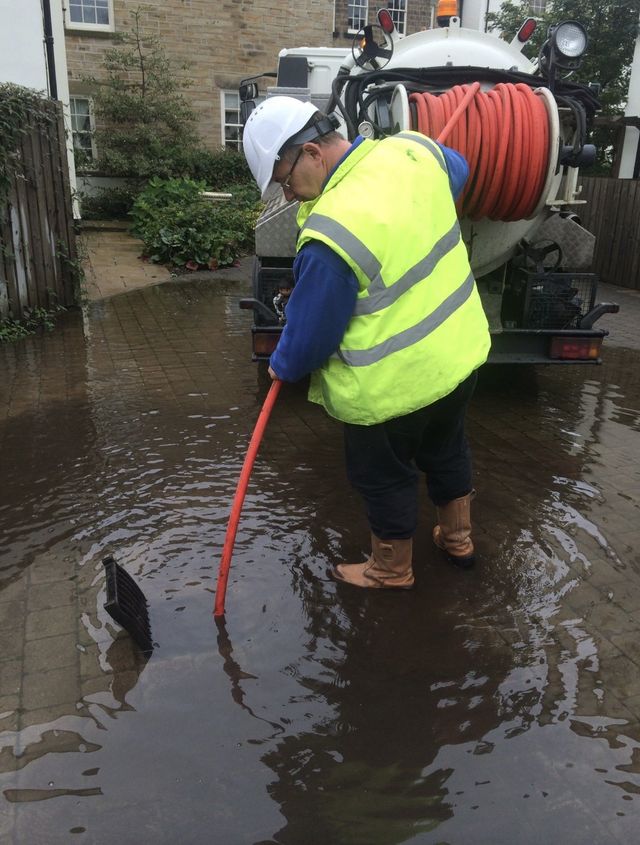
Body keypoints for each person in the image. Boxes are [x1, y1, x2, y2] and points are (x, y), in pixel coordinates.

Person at [242, 96, 491, 590]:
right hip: (457, 361)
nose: (289, 196)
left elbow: (311, 335)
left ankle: (391, 569)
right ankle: (457, 539)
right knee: (447, 447)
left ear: (312, 152)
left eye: (287, 181)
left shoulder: (330, 232)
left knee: (384, 475)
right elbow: (457, 172)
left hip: (391, 389)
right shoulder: (412, 152)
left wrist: (283, 364)